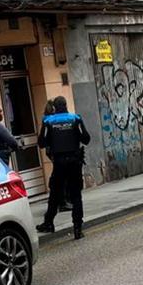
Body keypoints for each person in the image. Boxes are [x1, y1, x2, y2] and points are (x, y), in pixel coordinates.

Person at [36, 96, 90, 240]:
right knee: (76, 195)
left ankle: (48, 222)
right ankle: (77, 228)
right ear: (66, 105)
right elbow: (86, 139)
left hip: (59, 163)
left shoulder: (48, 121)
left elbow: (41, 143)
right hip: (74, 162)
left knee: (55, 194)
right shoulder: (75, 119)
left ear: (54, 108)